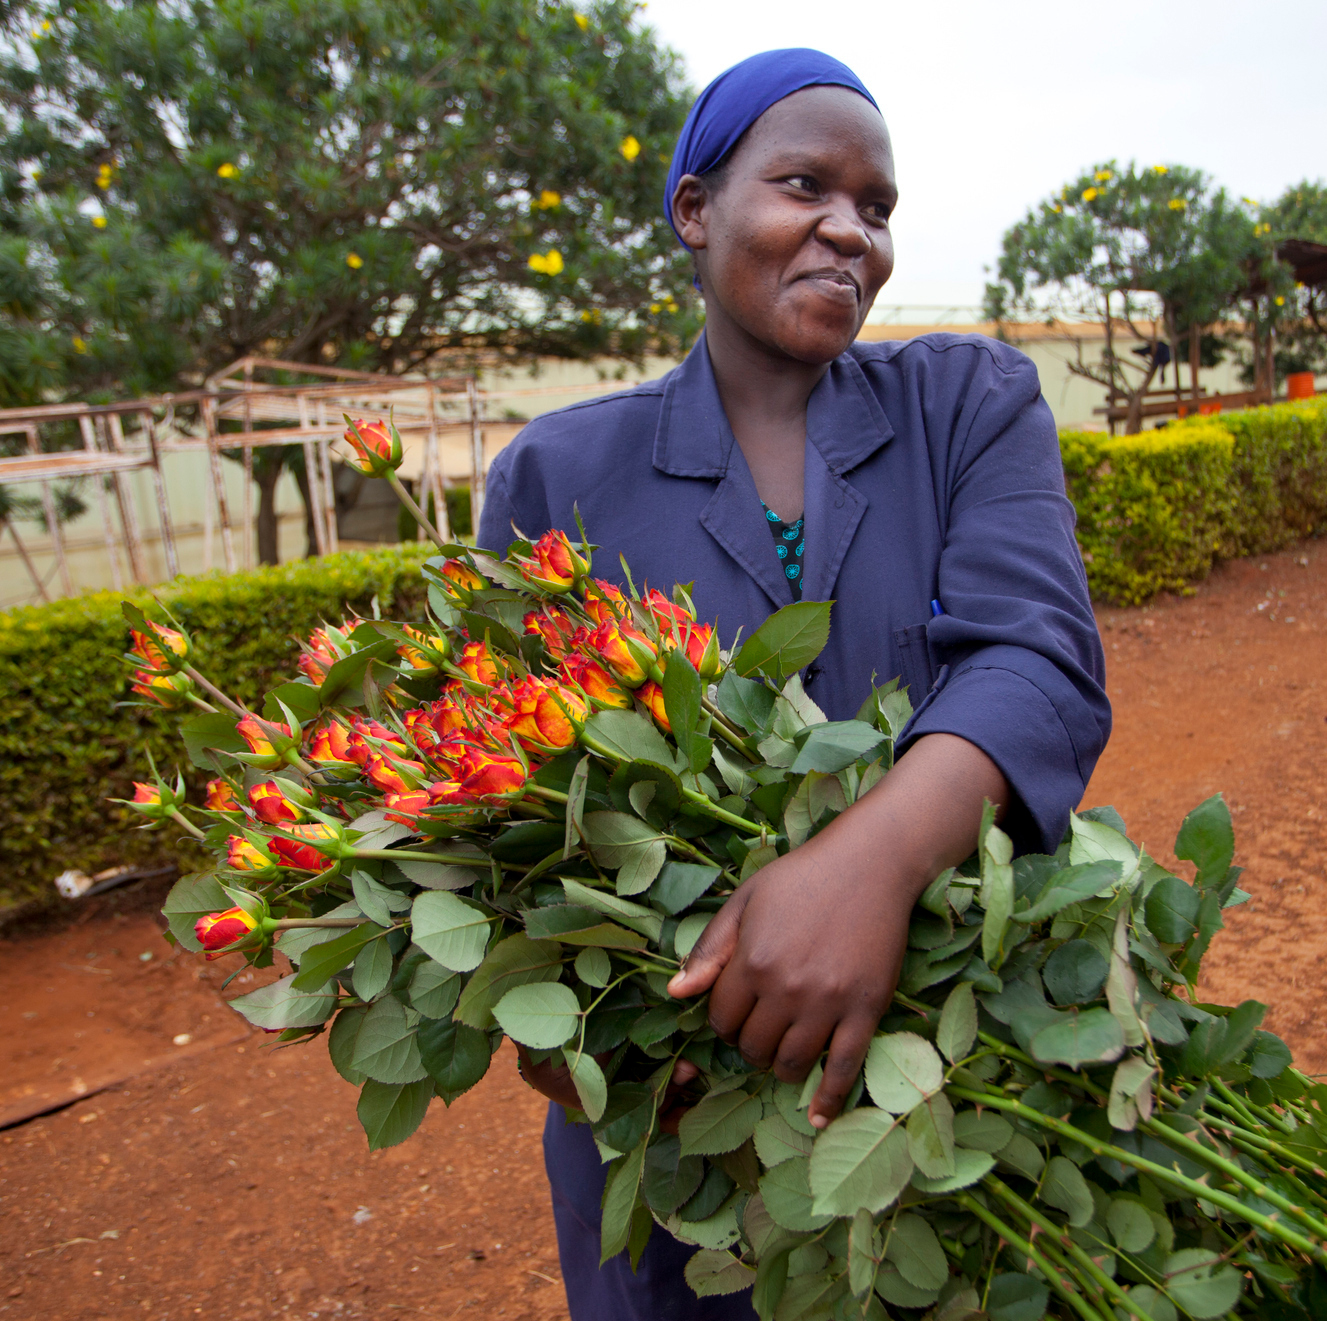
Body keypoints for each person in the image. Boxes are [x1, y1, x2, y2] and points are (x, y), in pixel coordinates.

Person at [476, 48, 1111, 1320]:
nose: (849, 230)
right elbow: (503, 818)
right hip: (688, 1156)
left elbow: (1037, 657)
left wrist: (868, 865)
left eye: (876, 207)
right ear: (696, 212)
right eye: (805, 183)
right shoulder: (558, 478)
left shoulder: (968, 404)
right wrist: (583, 1049)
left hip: (948, 1111)